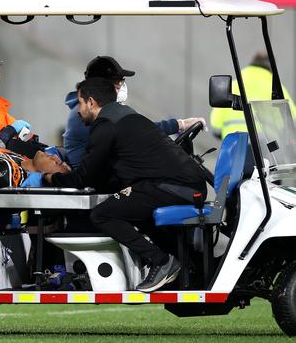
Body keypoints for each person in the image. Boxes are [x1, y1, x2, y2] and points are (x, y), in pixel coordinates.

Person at [44, 77, 207, 293]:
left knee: (103, 214)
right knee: (132, 209)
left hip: (171, 186)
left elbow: (84, 178)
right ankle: (188, 264)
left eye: (81, 103)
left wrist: (50, 178)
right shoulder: (126, 115)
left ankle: (161, 262)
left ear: (92, 102)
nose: (78, 110)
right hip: (188, 185)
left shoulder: (105, 127)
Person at [63, 56, 207, 169]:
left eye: (122, 81)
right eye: (116, 82)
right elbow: (140, 129)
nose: (121, 86)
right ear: (100, 85)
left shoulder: (105, 110)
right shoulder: (86, 112)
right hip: (96, 182)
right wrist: (180, 124)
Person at [210, 51, 295, 140]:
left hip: (233, 147)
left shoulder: (233, 86)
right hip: (265, 149)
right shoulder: (278, 89)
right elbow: (291, 122)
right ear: (271, 68)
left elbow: (216, 126)